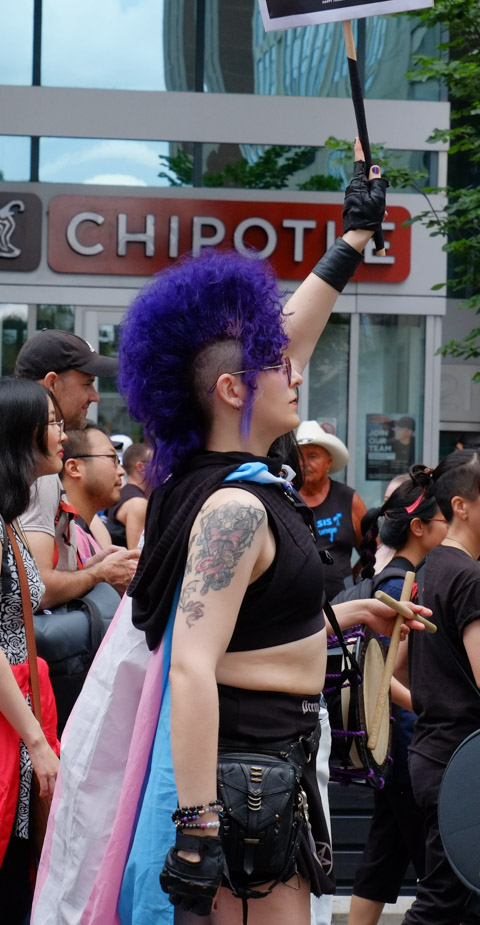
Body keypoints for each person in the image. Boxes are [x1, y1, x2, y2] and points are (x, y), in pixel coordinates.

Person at [32, 143, 429, 925]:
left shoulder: (226, 479)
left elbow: (235, 638)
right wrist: (200, 827)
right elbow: (192, 663)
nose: (296, 368)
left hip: (266, 774)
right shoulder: (233, 507)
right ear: (231, 389)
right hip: (247, 789)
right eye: (276, 363)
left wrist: (353, 238)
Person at [347, 470, 448, 925]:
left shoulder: (403, 577)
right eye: (444, 518)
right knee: (440, 874)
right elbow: (379, 675)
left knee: (382, 857)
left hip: (393, 743)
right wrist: (429, 708)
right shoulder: (399, 586)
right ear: (419, 527)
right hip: (405, 743)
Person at [396, 450, 480, 925]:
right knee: (441, 905)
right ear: (461, 506)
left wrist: (433, 705)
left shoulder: (427, 570)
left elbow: (397, 670)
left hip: (434, 755)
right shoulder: (469, 577)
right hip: (462, 765)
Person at [15, 330, 139, 607]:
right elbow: (38, 589)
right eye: (87, 384)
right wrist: (99, 573)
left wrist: (92, 567)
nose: (95, 397)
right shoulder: (37, 466)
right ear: (52, 383)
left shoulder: (25, 454)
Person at [0, 377, 61, 924]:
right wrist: (36, 741)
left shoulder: (9, 521)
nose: (63, 433)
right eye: (52, 422)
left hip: (17, 719)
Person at [296, 420, 367, 600]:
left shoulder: (348, 498)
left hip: (342, 603)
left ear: (328, 463)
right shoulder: (286, 498)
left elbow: (373, 551)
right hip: (295, 604)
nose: (304, 463)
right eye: (300, 457)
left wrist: (352, 581)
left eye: (312, 456)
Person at [60, 424, 129, 570]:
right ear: (74, 468)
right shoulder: (62, 534)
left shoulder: (85, 527)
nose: (121, 471)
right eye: (112, 459)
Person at [107, 442, 152, 548]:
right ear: (140, 467)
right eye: (156, 462)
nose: (161, 468)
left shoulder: (124, 493)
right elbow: (136, 553)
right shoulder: (138, 504)